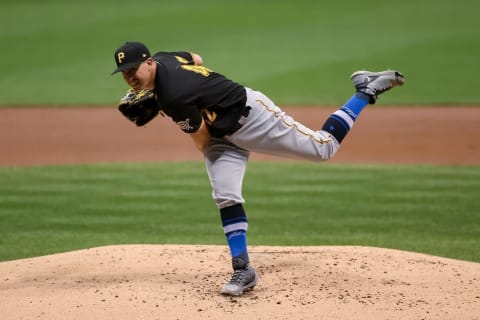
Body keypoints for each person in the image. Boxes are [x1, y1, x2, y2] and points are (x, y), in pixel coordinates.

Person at [112, 41, 404, 296]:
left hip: (252, 119)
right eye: (124, 73)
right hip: (221, 131)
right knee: (225, 195)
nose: (130, 77)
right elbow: (196, 58)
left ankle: (365, 90)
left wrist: (175, 103)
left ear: (149, 63)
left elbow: (200, 140)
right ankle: (243, 269)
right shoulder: (166, 58)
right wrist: (202, 94)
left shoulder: (173, 97)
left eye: (134, 69)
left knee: (324, 148)